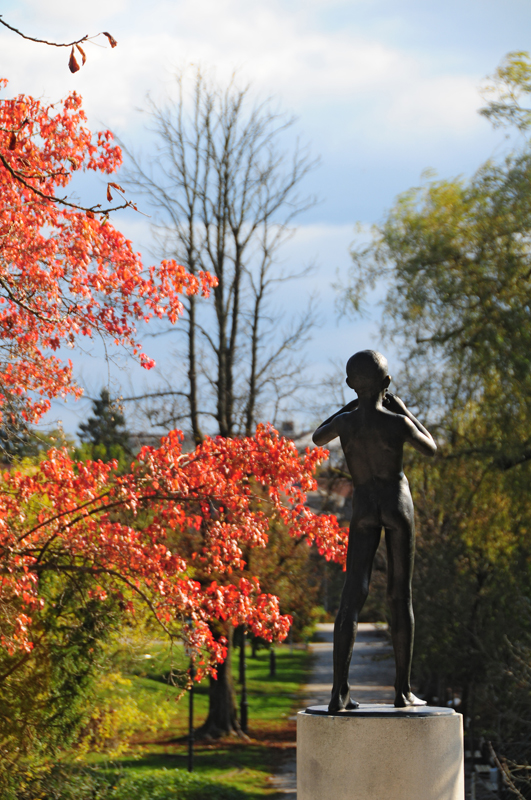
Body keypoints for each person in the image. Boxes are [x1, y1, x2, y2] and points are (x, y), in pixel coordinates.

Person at [313, 350, 436, 711]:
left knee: (353, 595)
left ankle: (339, 691)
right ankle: (402, 690)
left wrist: (350, 406)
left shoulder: (346, 423)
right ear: (387, 383)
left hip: (364, 506)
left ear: (351, 385)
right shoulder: (397, 423)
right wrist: (402, 410)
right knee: (400, 595)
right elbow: (430, 447)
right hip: (397, 504)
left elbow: (320, 436)